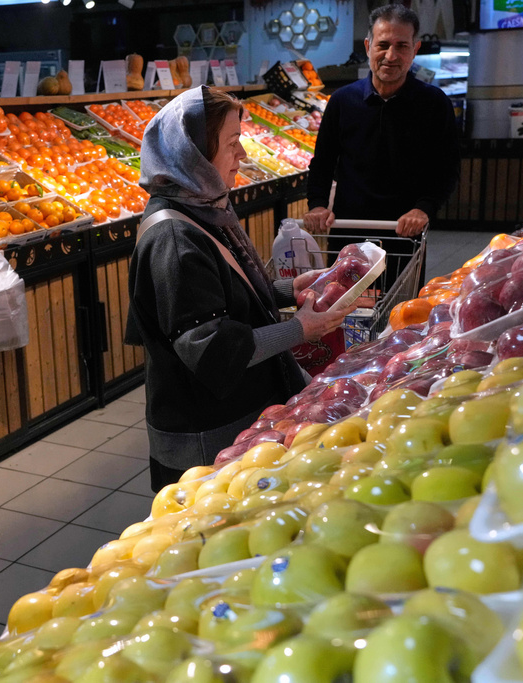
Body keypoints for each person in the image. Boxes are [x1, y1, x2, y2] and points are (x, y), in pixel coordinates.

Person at [126, 86, 356, 492]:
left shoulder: (202, 207)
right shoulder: (174, 238)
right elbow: (212, 348)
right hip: (207, 433)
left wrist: (286, 290)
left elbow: (220, 293)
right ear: (193, 154)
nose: (243, 155)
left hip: (235, 412)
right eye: (232, 143)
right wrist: (300, 329)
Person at [303, 4, 459, 238]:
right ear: (368, 47)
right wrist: (317, 204)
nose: (391, 56)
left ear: (415, 49)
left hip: (406, 231)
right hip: (348, 229)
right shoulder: (342, 101)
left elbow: (446, 168)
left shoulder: (435, 103)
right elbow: (323, 163)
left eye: (402, 46)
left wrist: (423, 208)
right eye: (383, 45)